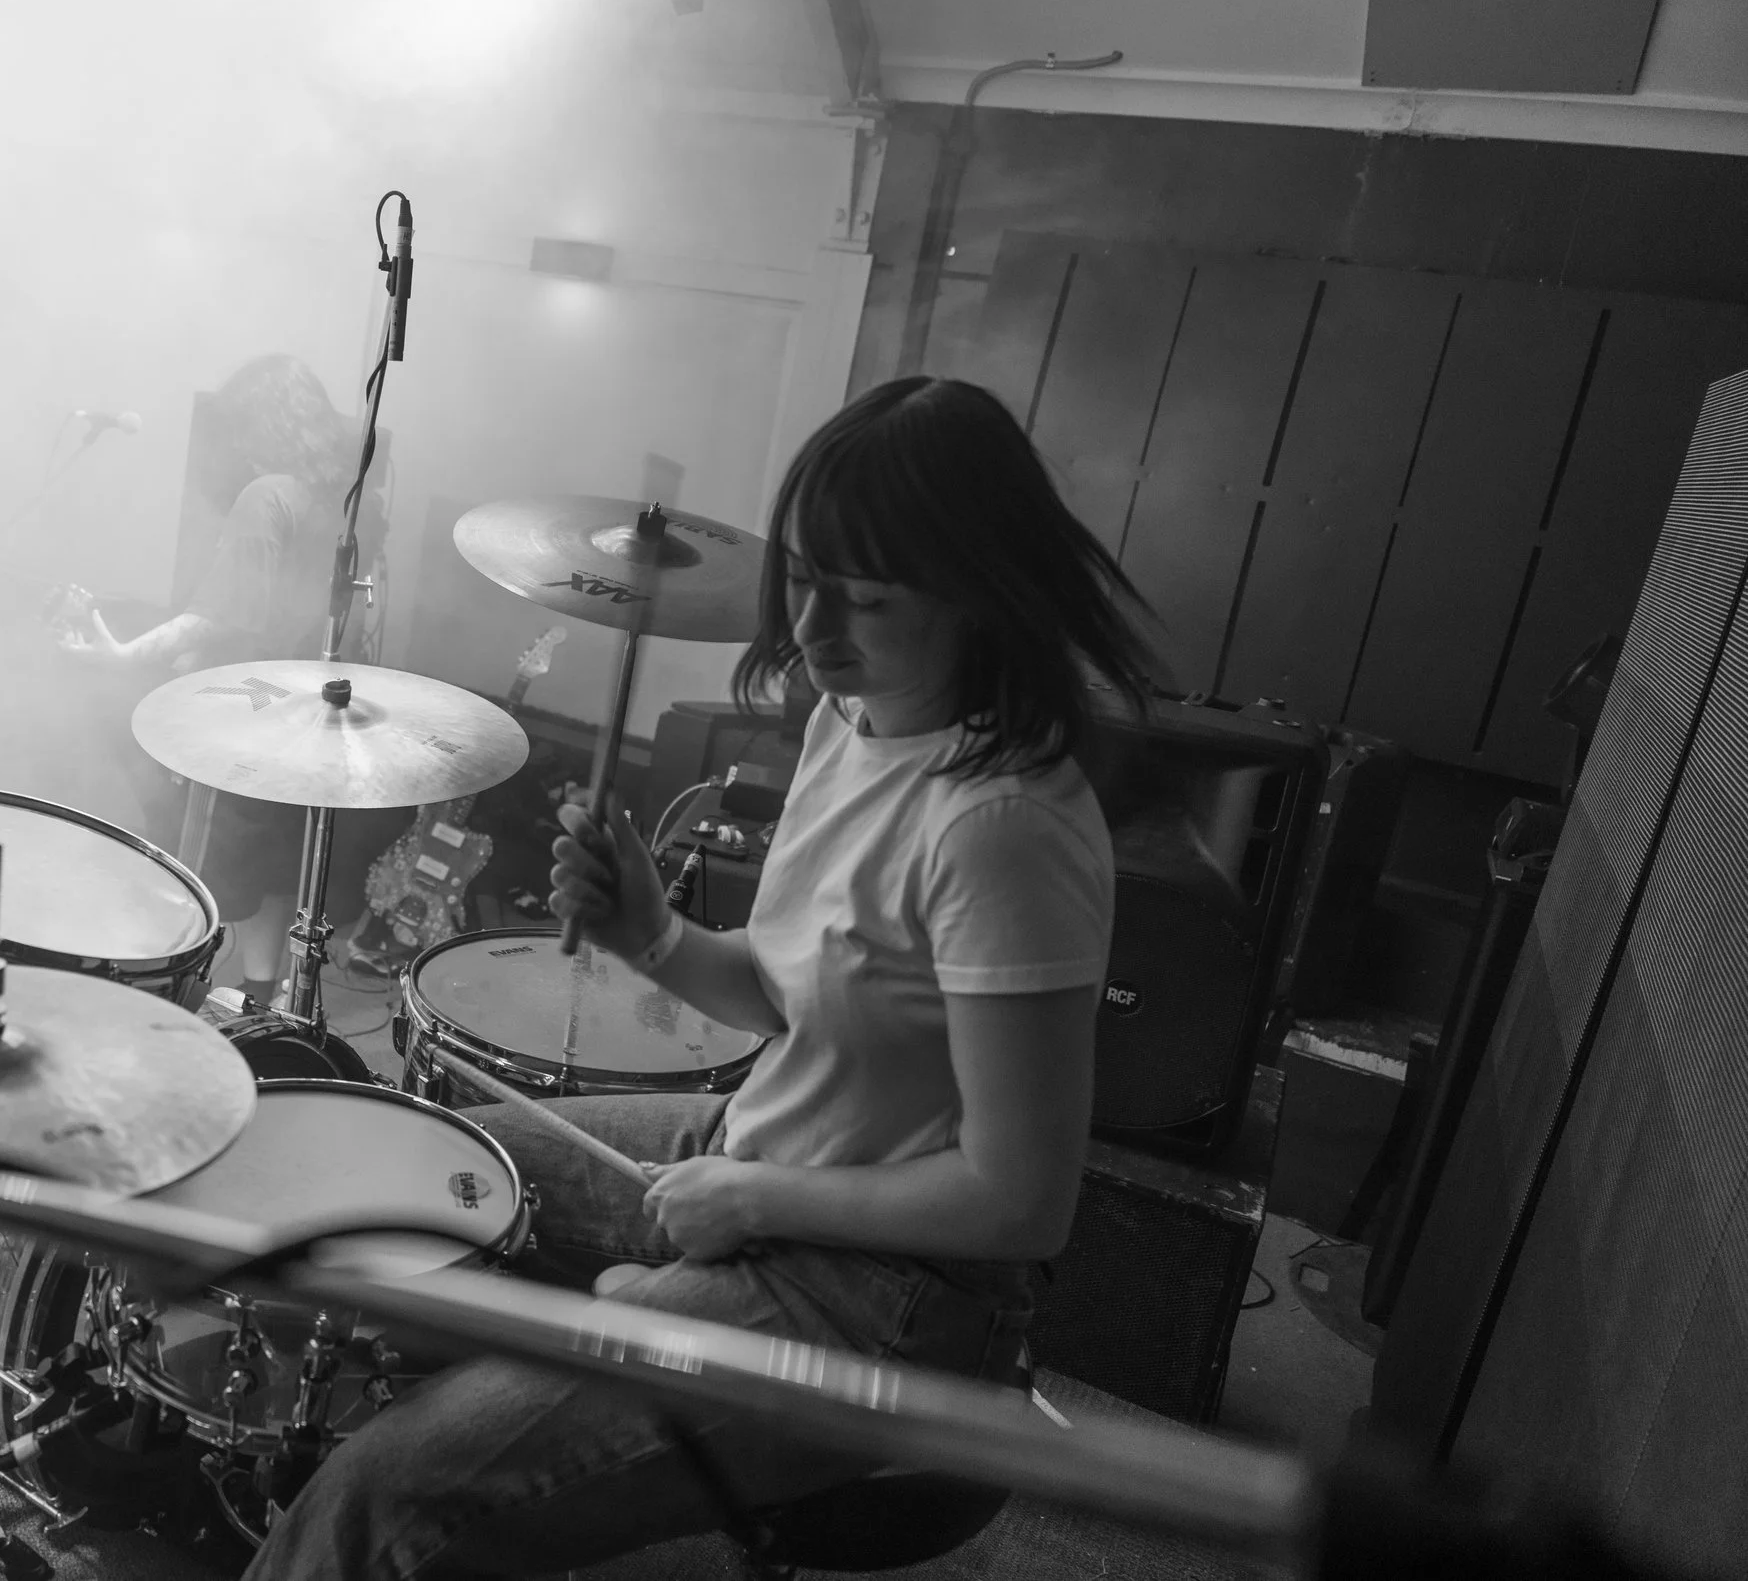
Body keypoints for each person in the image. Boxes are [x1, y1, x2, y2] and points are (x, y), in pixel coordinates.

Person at [240, 375, 1157, 1577]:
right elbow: (784, 996)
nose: (816, 632)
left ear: (981, 598)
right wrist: (649, 932)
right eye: (808, 580)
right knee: (419, 1165)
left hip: (891, 1295)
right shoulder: (856, 713)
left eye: (867, 599)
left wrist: (742, 1205)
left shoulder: (1000, 828)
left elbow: (1019, 1200)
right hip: (765, 1151)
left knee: (387, 1488)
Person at [60, 354, 380, 1009]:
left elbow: (224, 613)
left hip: (243, 710)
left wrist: (125, 655)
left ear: (261, 426)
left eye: (240, 428)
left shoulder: (266, 496)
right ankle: (262, 996)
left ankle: (159, 992)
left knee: (189, 854)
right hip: (306, 707)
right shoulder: (353, 503)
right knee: (272, 872)